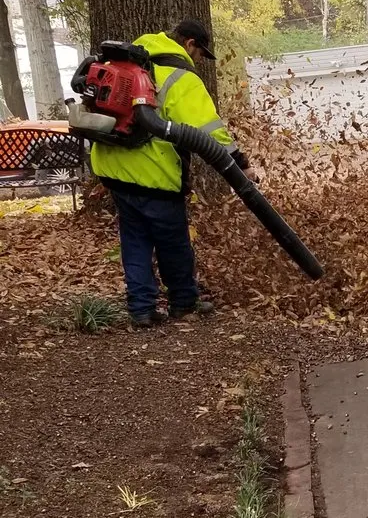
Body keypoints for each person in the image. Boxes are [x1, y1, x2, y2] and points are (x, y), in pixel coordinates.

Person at [90, 20, 256, 328]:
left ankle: (141, 309)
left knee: (135, 239)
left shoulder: (129, 58)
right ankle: (184, 302)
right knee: (173, 241)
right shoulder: (180, 77)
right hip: (155, 173)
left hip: (113, 168)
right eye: (199, 53)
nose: (197, 61)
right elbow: (208, 130)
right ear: (190, 43)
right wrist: (240, 162)